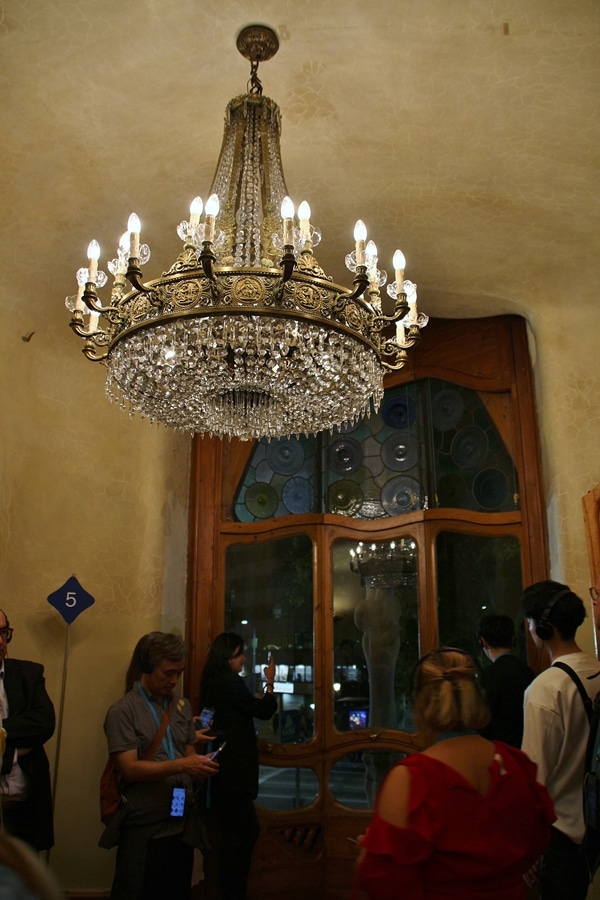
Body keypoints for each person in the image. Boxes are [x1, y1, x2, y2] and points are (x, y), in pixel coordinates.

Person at [354, 647, 555, 899]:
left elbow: (385, 883)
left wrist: (367, 857)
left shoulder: (411, 779)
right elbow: (536, 844)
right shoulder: (517, 764)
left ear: (421, 705)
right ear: (477, 697)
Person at [100, 632, 219, 900]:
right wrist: (183, 765)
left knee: (177, 889)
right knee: (140, 888)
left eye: (180, 672)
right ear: (146, 667)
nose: (174, 680)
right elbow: (129, 768)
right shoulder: (123, 711)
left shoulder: (182, 706)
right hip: (145, 823)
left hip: (180, 817)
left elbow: (187, 751)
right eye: (168, 673)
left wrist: (199, 764)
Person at [521, 581, 600, 899]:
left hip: (561, 839)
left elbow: (533, 778)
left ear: (542, 626)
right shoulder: (596, 671)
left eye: (528, 622)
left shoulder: (546, 688)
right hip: (593, 835)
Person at [199, 632, 278, 900]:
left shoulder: (213, 681)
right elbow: (265, 711)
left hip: (222, 773)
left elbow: (221, 713)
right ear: (228, 656)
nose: (243, 659)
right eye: (240, 654)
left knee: (232, 839)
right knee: (241, 838)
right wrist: (269, 683)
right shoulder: (230, 682)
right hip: (235, 774)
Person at [0, 608, 55, 852]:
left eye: (3, 633)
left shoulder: (28, 674)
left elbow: (44, 723)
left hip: (23, 813)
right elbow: (30, 729)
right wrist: (17, 749)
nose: (0, 641)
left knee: (24, 888)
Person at [476, 614, 534, 746]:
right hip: (525, 746)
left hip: (498, 750)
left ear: (483, 641)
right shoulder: (527, 671)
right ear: (513, 639)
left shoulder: (489, 675)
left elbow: (482, 722)